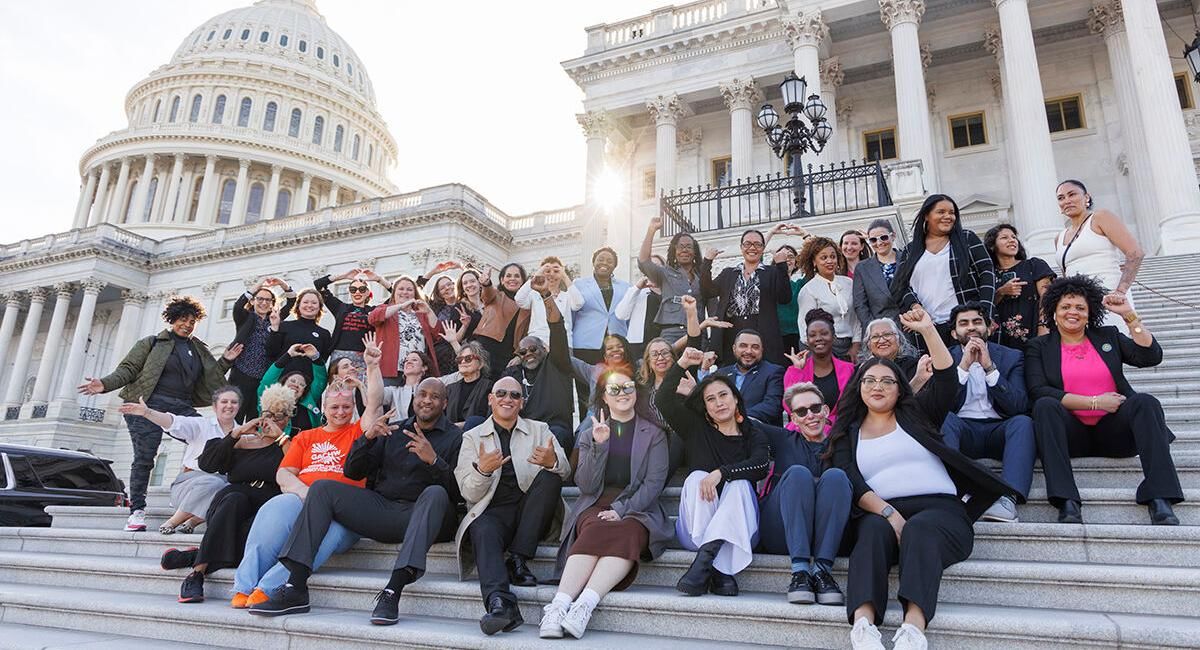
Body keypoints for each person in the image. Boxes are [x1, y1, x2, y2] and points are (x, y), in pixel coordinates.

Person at [826, 307, 1017, 650]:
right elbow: (850, 479)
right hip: (882, 511)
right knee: (868, 533)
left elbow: (945, 378)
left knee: (919, 528)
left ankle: (913, 628)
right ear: (859, 388)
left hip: (941, 512)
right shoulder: (848, 433)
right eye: (869, 380)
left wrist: (929, 330)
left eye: (888, 381)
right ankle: (863, 625)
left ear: (901, 390)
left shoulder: (918, 417)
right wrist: (888, 514)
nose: (878, 386)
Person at [252, 340, 463, 625]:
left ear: (445, 402)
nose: (426, 400)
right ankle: (295, 586)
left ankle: (393, 590)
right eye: (421, 394)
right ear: (414, 397)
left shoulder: (454, 436)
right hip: (384, 509)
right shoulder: (394, 428)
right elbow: (353, 472)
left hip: (426, 515)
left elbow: (458, 493)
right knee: (323, 488)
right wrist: (367, 440)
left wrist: (434, 461)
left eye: (434, 397)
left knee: (436, 492)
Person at [1026, 275, 1182, 525]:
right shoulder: (1039, 346)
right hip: (1070, 435)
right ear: (1054, 311)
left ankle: (1160, 497)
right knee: (1045, 406)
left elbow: (1150, 357)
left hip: (1113, 432)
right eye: (1065, 307)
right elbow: (1038, 391)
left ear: (1090, 313)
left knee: (1146, 402)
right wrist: (1095, 402)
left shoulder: (1107, 336)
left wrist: (1129, 317)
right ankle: (1067, 501)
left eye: (1080, 307)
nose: (1072, 312)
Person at [77, 295, 242, 532]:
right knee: (145, 458)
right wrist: (104, 384)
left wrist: (226, 361)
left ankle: (193, 492)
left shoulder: (197, 349)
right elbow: (128, 369)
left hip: (180, 405)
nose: (187, 325)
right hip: (145, 405)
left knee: (210, 439)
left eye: (192, 321)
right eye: (183, 320)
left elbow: (211, 375)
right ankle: (137, 511)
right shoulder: (152, 343)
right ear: (173, 319)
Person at [541, 368, 673, 639]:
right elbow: (586, 485)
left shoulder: (655, 433)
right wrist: (599, 445)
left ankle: (584, 606)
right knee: (594, 527)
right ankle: (558, 606)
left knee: (627, 531)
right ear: (604, 396)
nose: (622, 394)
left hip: (638, 506)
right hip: (596, 501)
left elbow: (653, 484)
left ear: (636, 392)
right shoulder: (591, 431)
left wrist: (621, 510)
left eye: (627, 387)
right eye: (614, 389)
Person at [231, 379, 366, 610]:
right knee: (275, 508)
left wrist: (366, 379)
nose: (340, 412)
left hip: (344, 512)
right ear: (324, 408)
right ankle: (244, 586)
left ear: (353, 407)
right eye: (334, 407)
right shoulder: (306, 437)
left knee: (325, 533)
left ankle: (269, 587)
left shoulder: (358, 432)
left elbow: (374, 406)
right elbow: (284, 474)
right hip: (304, 498)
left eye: (346, 406)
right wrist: (309, 495)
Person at [454, 375, 571, 635]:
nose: (508, 399)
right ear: (491, 399)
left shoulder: (540, 429)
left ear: (522, 403)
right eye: (502, 394)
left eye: (515, 395)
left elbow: (564, 469)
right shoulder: (473, 437)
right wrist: (482, 471)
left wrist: (553, 461)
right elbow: (467, 492)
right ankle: (500, 604)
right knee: (481, 528)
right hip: (493, 512)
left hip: (532, 510)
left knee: (550, 478)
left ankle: (518, 558)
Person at [160, 384, 293, 603]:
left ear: (288, 419)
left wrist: (280, 438)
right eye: (268, 415)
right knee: (234, 500)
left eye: (280, 416)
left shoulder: (290, 444)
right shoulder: (239, 441)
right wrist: (236, 433)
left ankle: (194, 555)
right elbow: (208, 463)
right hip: (232, 499)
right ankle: (196, 574)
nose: (272, 421)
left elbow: (295, 465)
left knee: (255, 539)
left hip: (267, 501)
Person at [656, 348, 770, 598]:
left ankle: (705, 563)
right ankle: (720, 571)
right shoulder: (695, 428)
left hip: (742, 531)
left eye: (723, 395)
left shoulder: (753, 433)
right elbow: (662, 400)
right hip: (694, 530)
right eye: (710, 399)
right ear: (704, 407)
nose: (719, 403)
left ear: (736, 398)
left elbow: (761, 465)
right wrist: (682, 362)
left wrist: (722, 472)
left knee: (739, 485)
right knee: (697, 477)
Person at [757, 382, 851, 606]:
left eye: (815, 408)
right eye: (801, 412)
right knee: (798, 474)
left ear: (826, 411)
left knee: (836, 477)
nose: (810, 415)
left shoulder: (844, 443)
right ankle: (800, 572)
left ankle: (822, 571)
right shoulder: (782, 439)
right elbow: (738, 417)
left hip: (830, 536)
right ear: (793, 420)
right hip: (782, 532)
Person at [940, 302, 1035, 523]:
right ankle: (952, 496)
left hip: (998, 430)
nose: (971, 327)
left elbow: (1019, 405)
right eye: (964, 323)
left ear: (989, 328)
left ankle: (1007, 499)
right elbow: (941, 406)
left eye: (977, 322)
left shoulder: (1012, 357)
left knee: (1023, 422)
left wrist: (989, 367)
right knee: (945, 420)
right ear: (954, 333)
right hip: (962, 430)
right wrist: (962, 368)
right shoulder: (944, 358)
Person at [115, 387, 241, 535]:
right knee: (216, 483)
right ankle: (173, 522)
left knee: (233, 489)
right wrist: (147, 412)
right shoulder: (201, 425)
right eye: (224, 401)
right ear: (214, 406)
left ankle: (192, 521)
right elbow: (173, 422)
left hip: (222, 484)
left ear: (239, 407)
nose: (229, 405)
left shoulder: (244, 433)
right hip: (189, 485)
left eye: (234, 402)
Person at [893, 194, 995, 349]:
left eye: (952, 213)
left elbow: (987, 273)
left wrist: (985, 313)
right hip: (927, 326)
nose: (948, 216)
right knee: (935, 371)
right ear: (926, 215)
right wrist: (915, 306)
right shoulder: (910, 250)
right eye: (941, 212)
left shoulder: (967, 239)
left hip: (963, 324)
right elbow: (901, 286)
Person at [1054, 179, 1144, 333]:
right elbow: (1065, 275)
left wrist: (1120, 291)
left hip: (1109, 296)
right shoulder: (1059, 237)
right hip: (1078, 304)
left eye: (1072, 194)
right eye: (1061, 198)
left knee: (1115, 344)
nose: (1067, 201)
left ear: (1086, 197)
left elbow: (1135, 253)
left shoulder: (1100, 217)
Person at [702, 224, 798, 366]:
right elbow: (708, 291)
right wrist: (707, 262)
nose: (752, 248)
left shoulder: (771, 272)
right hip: (731, 336)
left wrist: (781, 266)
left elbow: (785, 298)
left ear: (763, 248)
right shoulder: (729, 273)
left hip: (763, 337)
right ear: (741, 247)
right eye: (747, 244)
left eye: (757, 244)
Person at [500, 272, 576, 450]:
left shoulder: (557, 364)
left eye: (533, 349)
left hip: (553, 431)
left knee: (555, 435)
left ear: (545, 349)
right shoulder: (514, 373)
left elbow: (557, 327)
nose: (528, 354)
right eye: (523, 351)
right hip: (521, 432)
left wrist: (545, 295)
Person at [230, 278, 296, 422]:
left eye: (268, 300)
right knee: (236, 415)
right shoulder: (245, 317)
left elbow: (292, 301)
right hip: (242, 373)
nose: (264, 302)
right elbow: (238, 305)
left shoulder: (275, 319)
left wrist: (282, 284)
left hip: (263, 377)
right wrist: (260, 283)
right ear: (253, 301)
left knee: (256, 417)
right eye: (260, 299)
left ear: (272, 303)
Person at [315, 267, 391, 383]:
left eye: (361, 289)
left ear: (368, 293)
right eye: (353, 289)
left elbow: (397, 296)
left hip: (364, 356)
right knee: (338, 389)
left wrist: (379, 279)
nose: (357, 292)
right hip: (340, 356)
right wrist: (343, 276)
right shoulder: (341, 308)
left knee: (361, 392)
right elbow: (319, 284)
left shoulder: (375, 311)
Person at [985, 224, 1055, 350]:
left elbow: (1047, 297)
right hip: (1001, 337)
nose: (1012, 240)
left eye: (1014, 237)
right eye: (1004, 237)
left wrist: (1043, 326)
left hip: (1035, 330)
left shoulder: (1034, 265)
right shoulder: (989, 275)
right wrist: (1001, 292)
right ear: (992, 245)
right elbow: (986, 305)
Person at [638, 216, 705, 343]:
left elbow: (712, 308)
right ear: (674, 251)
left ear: (695, 252)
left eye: (689, 247)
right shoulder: (664, 273)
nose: (684, 250)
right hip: (671, 334)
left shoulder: (702, 277)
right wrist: (651, 230)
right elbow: (643, 262)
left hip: (697, 333)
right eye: (680, 247)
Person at [782, 309, 855, 424]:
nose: (818, 338)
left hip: (841, 430)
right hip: (805, 432)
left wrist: (829, 423)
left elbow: (853, 407)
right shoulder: (795, 370)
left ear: (834, 337)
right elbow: (790, 406)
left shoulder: (849, 369)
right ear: (807, 340)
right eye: (812, 335)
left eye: (824, 333)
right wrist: (797, 371)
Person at [796, 236, 860, 360]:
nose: (829, 261)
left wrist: (856, 345)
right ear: (814, 261)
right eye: (823, 257)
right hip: (823, 348)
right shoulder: (809, 290)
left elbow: (856, 317)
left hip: (850, 345)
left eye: (832, 256)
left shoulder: (848, 283)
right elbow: (804, 327)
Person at [369, 276, 443, 382]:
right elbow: (373, 318)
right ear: (394, 293)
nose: (405, 292)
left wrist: (429, 312)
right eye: (401, 289)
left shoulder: (421, 315)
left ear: (414, 294)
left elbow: (438, 334)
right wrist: (401, 305)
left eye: (409, 290)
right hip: (391, 371)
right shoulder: (386, 310)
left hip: (417, 371)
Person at [710, 330, 786, 426]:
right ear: (734, 348)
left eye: (755, 347)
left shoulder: (774, 372)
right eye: (743, 346)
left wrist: (735, 417)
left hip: (758, 433)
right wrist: (703, 370)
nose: (749, 351)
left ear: (762, 350)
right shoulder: (721, 373)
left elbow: (772, 406)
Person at [572, 247, 632, 363]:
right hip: (586, 343)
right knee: (587, 380)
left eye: (610, 261)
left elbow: (629, 316)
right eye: (600, 259)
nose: (604, 263)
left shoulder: (626, 287)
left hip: (617, 344)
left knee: (617, 380)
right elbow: (572, 315)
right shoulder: (579, 284)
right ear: (593, 262)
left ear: (615, 266)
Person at [474, 263, 531, 381]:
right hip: (485, 347)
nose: (512, 279)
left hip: (508, 355)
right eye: (508, 276)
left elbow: (526, 334)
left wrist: (519, 355)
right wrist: (486, 283)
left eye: (517, 276)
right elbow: (487, 294)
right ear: (502, 279)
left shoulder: (528, 306)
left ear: (523, 280)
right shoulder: (496, 295)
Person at [258, 345, 327, 433]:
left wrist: (315, 357)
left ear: (304, 391)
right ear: (282, 384)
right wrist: (288, 355)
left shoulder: (310, 400)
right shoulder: (269, 399)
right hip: (271, 444)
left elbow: (321, 380)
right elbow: (267, 381)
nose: (296, 385)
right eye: (292, 381)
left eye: (302, 384)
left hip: (304, 445)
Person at [853, 219, 901, 338]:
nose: (879, 243)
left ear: (893, 236)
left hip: (909, 326)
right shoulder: (862, 268)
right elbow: (860, 304)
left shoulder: (907, 259)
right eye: (873, 240)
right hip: (879, 331)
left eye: (883, 237)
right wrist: (873, 328)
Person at [267, 289, 333, 377]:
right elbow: (271, 353)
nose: (309, 305)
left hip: (307, 382)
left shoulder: (324, 334)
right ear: (298, 305)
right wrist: (275, 327)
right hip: (282, 380)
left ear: (319, 307)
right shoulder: (284, 326)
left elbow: (322, 362)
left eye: (314, 303)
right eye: (305, 302)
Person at [615, 256, 665, 359]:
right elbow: (621, 314)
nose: (653, 269)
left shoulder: (670, 292)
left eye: (657, 266)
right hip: (639, 346)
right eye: (649, 266)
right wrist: (637, 288)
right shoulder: (638, 291)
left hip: (665, 342)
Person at [860, 318, 928, 390]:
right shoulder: (862, 369)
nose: (882, 340)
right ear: (869, 345)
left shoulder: (915, 366)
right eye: (875, 337)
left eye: (887, 334)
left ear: (899, 339)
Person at [445, 341, 493, 427]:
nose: (463, 362)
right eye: (459, 359)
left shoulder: (489, 387)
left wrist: (452, 427)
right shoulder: (450, 389)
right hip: (451, 436)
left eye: (468, 358)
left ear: (481, 364)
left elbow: (484, 420)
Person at [774, 243, 808, 356]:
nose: (787, 260)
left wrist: (804, 234)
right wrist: (772, 232)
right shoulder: (770, 284)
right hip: (778, 336)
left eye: (791, 256)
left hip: (798, 335)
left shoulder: (800, 284)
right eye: (783, 256)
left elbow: (814, 256)